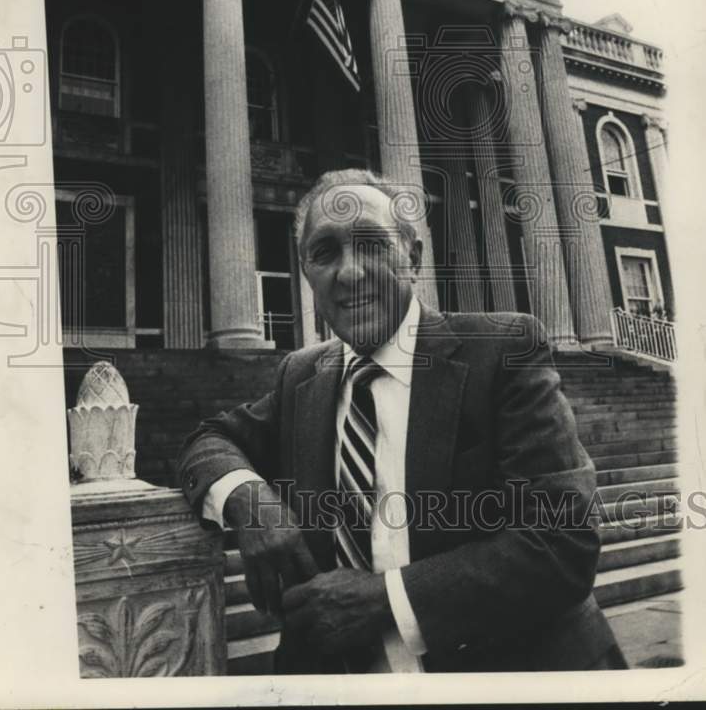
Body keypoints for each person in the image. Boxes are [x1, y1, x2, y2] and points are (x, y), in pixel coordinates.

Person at [178, 169, 626, 673]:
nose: (349, 273)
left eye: (371, 244)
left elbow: (562, 541)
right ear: (306, 271)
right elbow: (208, 440)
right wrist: (251, 502)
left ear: (413, 257)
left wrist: (385, 600)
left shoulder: (502, 349)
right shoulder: (301, 375)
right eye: (324, 252)